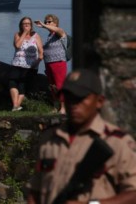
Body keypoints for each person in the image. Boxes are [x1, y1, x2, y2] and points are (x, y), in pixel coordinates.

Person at [27, 70, 136, 204]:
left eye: (80, 98)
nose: (73, 104)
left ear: (99, 101)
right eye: (69, 97)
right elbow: (35, 190)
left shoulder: (117, 142)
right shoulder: (49, 139)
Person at [35, 14, 68, 114]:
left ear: (56, 23)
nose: (47, 23)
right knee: (52, 86)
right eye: (46, 22)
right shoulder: (50, 36)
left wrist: (43, 25)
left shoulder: (60, 32)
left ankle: (63, 108)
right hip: (49, 63)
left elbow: (58, 31)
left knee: (59, 85)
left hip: (58, 62)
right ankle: (55, 106)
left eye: (49, 21)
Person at [10, 16, 43, 111]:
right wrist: (24, 33)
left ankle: (16, 106)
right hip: (17, 63)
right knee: (12, 82)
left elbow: (41, 52)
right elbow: (17, 46)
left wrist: (37, 62)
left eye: (28, 24)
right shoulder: (17, 34)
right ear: (21, 25)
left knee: (22, 85)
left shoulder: (36, 36)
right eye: (24, 24)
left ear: (31, 26)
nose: (26, 25)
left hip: (30, 66)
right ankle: (15, 106)